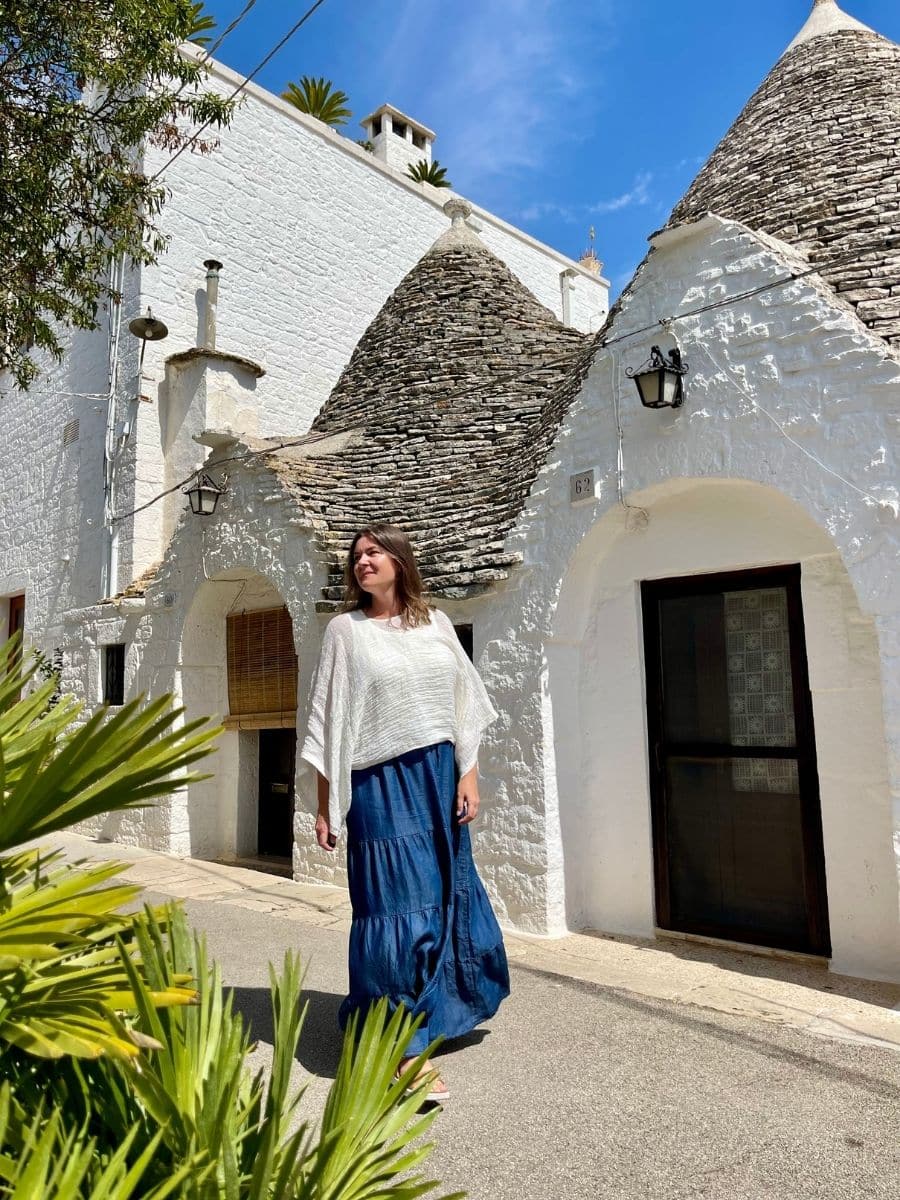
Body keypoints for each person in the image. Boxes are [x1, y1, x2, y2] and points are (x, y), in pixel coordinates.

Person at [300, 523, 510, 1101]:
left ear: (399, 561)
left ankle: (415, 1020)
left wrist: (468, 773)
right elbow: (331, 722)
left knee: (443, 905)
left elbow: (462, 702)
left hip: (437, 779)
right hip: (380, 787)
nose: (362, 561)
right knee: (398, 915)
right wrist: (326, 806)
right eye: (356, 556)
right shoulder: (346, 631)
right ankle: (401, 1050)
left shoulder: (437, 623)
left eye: (374, 552)